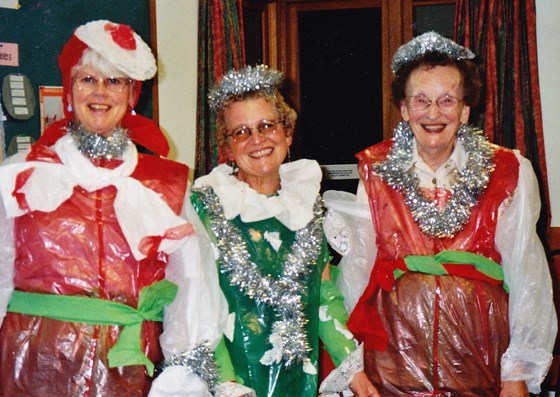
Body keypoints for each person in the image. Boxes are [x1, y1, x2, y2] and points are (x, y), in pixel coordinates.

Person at [322, 32, 558, 397]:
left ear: (465, 110)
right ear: (404, 109)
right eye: (421, 100)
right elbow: (356, 273)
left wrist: (519, 372)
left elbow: (528, 276)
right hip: (392, 367)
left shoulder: (510, 169)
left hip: (482, 365)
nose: (433, 113)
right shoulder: (376, 170)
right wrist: (353, 368)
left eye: (447, 100)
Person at [0, 20, 223, 396]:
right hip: (32, 368)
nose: (100, 92)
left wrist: (184, 371)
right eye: (87, 79)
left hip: (130, 369)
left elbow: (193, 287)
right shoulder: (23, 174)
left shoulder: (167, 184)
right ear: (69, 90)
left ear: (132, 93)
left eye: (114, 80)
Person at [150, 65, 377, 397]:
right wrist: (228, 386)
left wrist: (354, 372)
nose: (256, 140)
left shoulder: (306, 206)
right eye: (241, 132)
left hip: (299, 384)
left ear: (287, 133)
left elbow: (324, 299)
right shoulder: (203, 207)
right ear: (227, 147)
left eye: (267, 126)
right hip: (228, 385)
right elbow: (195, 313)